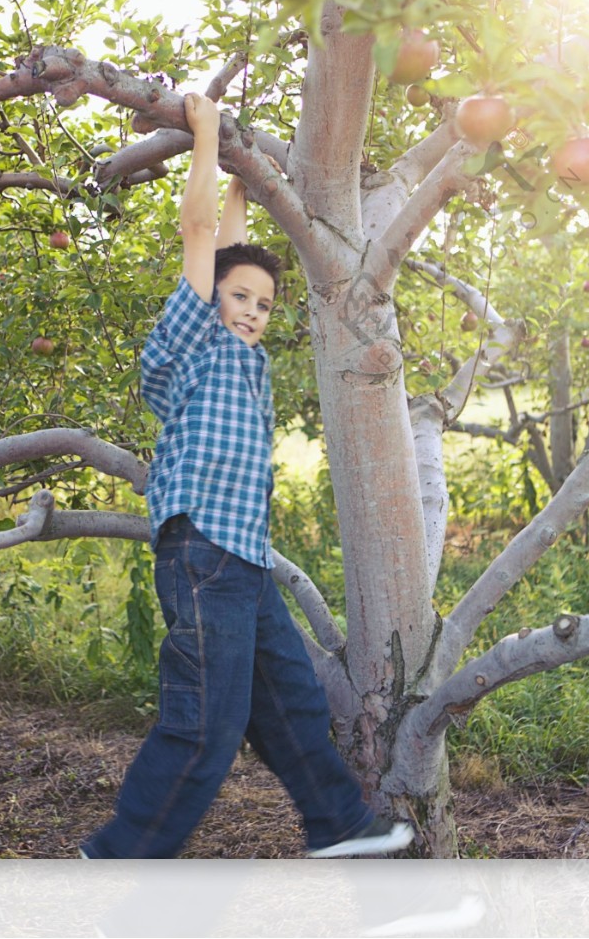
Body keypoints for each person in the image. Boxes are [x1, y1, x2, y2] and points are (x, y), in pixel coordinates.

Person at [79, 93, 415, 860]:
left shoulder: (246, 353)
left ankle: (337, 821)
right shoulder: (195, 337)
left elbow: (229, 241)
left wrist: (239, 169)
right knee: (205, 724)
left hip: (245, 559)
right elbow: (202, 235)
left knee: (293, 703)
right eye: (240, 297)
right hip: (203, 549)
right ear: (207, 298)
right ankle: (122, 850)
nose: (254, 310)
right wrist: (203, 133)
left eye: (265, 303)